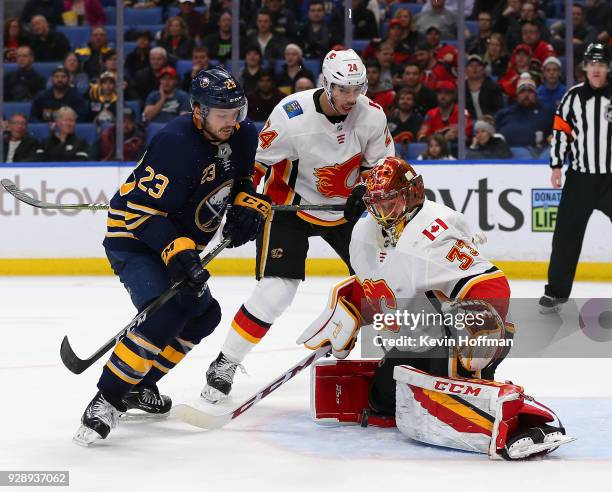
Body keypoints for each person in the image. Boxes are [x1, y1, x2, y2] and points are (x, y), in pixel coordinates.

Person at [296, 156, 572, 460]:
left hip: (462, 335)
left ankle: (520, 422)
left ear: (413, 194)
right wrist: (348, 306)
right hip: (419, 333)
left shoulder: (431, 237)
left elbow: (492, 282)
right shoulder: (365, 234)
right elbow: (378, 287)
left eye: (391, 202)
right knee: (384, 398)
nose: (383, 213)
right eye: (376, 203)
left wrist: (477, 328)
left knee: (441, 396)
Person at [73, 68, 270, 445]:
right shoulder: (174, 142)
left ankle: (139, 385)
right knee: (167, 311)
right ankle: (107, 399)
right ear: (198, 111)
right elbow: (141, 213)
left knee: (203, 313)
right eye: (221, 114)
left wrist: (246, 207)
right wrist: (180, 252)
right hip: (134, 238)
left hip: (178, 238)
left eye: (236, 112)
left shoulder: (244, 136)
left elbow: (242, 179)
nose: (232, 122)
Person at [202, 49, 395, 403]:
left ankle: (399, 361)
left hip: (345, 212)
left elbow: (382, 164)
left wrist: (368, 187)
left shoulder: (372, 115)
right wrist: (243, 202)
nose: (351, 98)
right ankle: (225, 362)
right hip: (289, 207)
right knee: (276, 291)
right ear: (326, 83)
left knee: (384, 286)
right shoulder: (292, 116)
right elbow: (255, 163)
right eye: (343, 90)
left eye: (357, 89)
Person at [540, 44, 612, 313]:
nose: (596, 68)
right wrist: (556, 166)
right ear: (584, 66)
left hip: (611, 178)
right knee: (565, 237)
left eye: (601, 63)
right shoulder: (572, 97)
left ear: (607, 68)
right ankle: (556, 293)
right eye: (592, 63)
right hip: (580, 178)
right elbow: (561, 133)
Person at [495, 76, 554, 148]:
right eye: (522, 91)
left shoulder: (547, 112)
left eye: (530, 91)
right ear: (517, 95)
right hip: (507, 154)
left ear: (536, 95)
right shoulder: (504, 113)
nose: (526, 95)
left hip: (539, 154)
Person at [418, 80, 473, 144]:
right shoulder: (430, 114)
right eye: (439, 93)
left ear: (454, 95)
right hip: (435, 151)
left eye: (447, 93)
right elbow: (421, 137)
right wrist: (444, 138)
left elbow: (467, 136)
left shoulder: (462, 111)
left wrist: (456, 135)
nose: (442, 96)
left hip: (456, 151)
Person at [464, 54, 504, 120]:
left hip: (491, 123)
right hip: (468, 124)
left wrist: (492, 116)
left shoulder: (493, 87)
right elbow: (460, 109)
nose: (474, 68)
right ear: (466, 70)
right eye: (471, 65)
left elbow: (500, 109)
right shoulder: (461, 89)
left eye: (478, 65)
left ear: (483, 70)